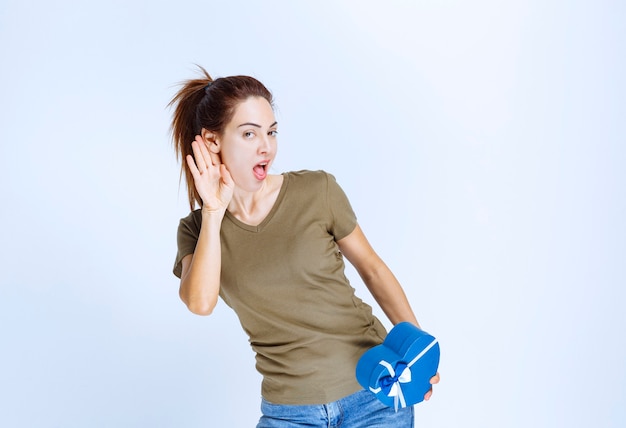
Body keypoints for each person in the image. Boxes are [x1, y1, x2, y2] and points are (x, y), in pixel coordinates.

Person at [169, 67, 439, 427]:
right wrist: (215, 212)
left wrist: (415, 349)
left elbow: (372, 269)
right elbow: (200, 303)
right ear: (212, 141)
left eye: (271, 132)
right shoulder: (197, 230)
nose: (266, 146)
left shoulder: (316, 191)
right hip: (289, 412)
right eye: (249, 134)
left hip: (373, 392)